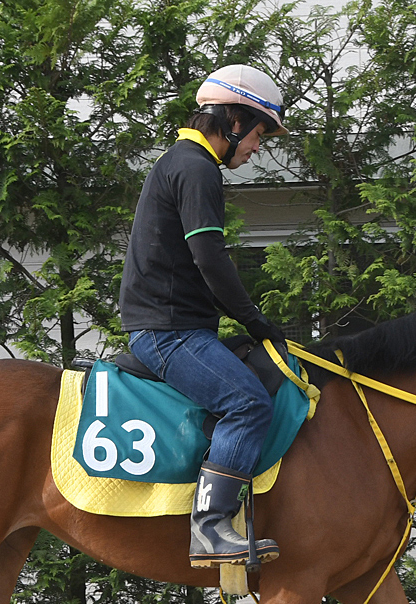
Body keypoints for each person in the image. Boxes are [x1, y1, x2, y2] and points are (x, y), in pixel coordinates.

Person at [119, 64, 288, 568]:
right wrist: (255, 320)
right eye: (259, 135)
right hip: (168, 333)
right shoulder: (196, 168)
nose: (257, 149)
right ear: (234, 121)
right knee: (249, 404)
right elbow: (209, 257)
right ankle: (212, 529)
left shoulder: (182, 162)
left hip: (170, 324)